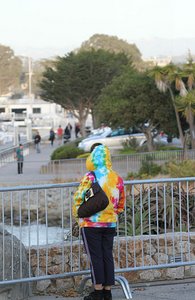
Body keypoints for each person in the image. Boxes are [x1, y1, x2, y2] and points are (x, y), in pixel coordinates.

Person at [73, 145, 125, 300]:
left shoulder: (90, 176)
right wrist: (112, 214)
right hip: (110, 224)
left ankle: (98, 291)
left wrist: (78, 215)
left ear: (93, 158)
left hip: (91, 224)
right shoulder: (117, 178)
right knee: (107, 255)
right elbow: (121, 203)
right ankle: (107, 291)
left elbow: (78, 197)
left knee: (95, 257)